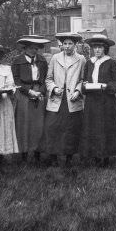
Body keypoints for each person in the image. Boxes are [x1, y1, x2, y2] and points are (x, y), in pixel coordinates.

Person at [42, 32, 86, 167]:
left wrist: (78, 91)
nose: (67, 47)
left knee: (71, 128)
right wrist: (54, 88)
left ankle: (69, 157)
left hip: (72, 99)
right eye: (65, 43)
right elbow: (48, 79)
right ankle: (53, 156)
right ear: (61, 44)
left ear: (75, 45)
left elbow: (83, 79)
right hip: (57, 98)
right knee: (53, 127)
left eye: (70, 44)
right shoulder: (55, 58)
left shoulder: (81, 59)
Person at [80, 33, 116, 167]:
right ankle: (96, 157)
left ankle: (106, 158)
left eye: (100, 48)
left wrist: (105, 86)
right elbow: (84, 82)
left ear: (105, 49)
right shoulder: (89, 63)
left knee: (105, 128)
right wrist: (84, 86)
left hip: (106, 102)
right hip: (92, 101)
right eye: (95, 47)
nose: (97, 50)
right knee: (93, 128)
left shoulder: (111, 63)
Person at [11, 35, 50, 163]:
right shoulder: (17, 61)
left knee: (40, 124)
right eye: (31, 47)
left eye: (36, 48)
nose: (34, 50)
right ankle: (24, 153)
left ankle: (38, 152)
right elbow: (15, 80)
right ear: (25, 48)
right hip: (24, 93)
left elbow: (45, 79)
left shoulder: (42, 61)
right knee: (24, 123)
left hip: (39, 92)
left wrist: (41, 91)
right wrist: (28, 91)